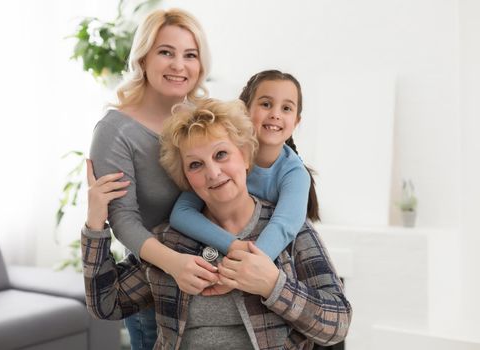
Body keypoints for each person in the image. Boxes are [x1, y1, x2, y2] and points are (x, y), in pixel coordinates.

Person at [82, 99, 352, 350]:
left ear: (245, 157)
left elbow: (337, 325)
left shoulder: (291, 232)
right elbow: (107, 304)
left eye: (221, 154)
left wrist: (273, 285)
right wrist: (95, 223)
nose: (213, 173)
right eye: (196, 165)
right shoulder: (171, 241)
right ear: (186, 178)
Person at [85, 8, 218, 350]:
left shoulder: (203, 119)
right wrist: (176, 265)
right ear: (143, 59)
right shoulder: (115, 131)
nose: (179, 65)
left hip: (210, 283)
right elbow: (124, 220)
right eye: (166, 52)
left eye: (190, 55)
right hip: (154, 290)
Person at [170, 70, 319, 264]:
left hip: (266, 261)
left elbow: (283, 227)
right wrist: (232, 245)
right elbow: (181, 213)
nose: (275, 114)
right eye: (266, 104)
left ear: (296, 121)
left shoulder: (295, 173)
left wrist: (246, 266)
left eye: (286, 108)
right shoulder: (224, 162)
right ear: (244, 110)